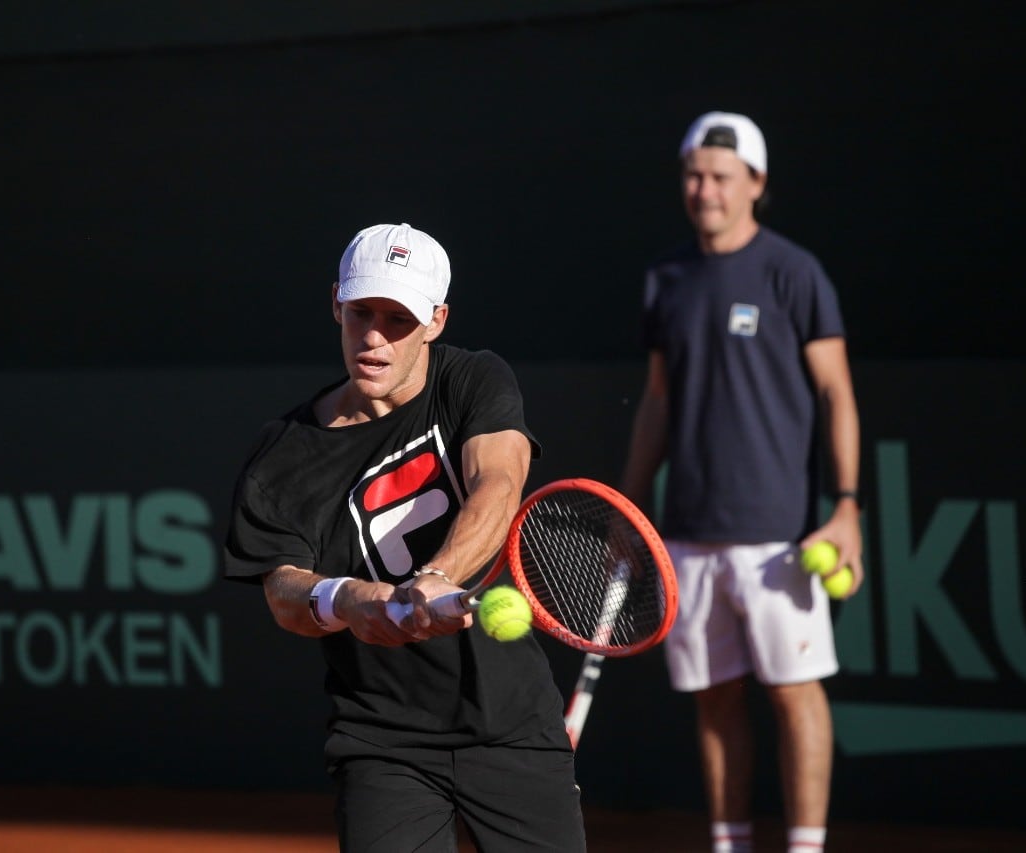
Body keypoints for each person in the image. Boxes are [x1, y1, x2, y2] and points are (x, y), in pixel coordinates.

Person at [224, 222, 586, 853]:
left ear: (436, 321)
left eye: (398, 319)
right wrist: (349, 599)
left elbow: (497, 487)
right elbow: (284, 592)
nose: (373, 337)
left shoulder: (473, 380)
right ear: (336, 301)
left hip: (512, 725)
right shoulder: (280, 457)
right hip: (381, 741)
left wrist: (436, 577)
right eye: (362, 311)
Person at [619, 112, 864, 853]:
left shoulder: (794, 272)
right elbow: (657, 401)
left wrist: (846, 506)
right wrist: (630, 504)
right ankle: (730, 842)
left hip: (776, 534)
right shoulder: (664, 279)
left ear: (755, 183)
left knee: (794, 694)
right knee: (714, 698)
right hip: (687, 529)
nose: (704, 190)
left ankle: (804, 845)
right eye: (694, 175)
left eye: (721, 177)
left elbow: (836, 393)